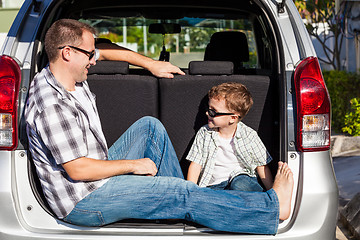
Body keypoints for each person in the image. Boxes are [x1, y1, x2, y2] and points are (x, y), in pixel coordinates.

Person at [25, 18, 294, 234]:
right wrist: (135, 165)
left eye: (93, 53)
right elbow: (78, 169)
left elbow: (105, 50)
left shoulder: (67, 71)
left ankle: (186, 202)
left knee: (150, 128)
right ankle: (270, 208)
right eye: (89, 54)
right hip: (82, 200)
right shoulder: (51, 103)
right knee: (182, 192)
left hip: (94, 173)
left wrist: (150, 64)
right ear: (67, 53)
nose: (94, 60)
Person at [187, 82, 273, 192]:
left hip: (241, 179)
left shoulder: (249, 135)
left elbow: (261, 166)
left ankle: (260, 200)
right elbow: (195, 164)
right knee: (210, 195)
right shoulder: (204, 133)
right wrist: (191, 191)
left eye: (213, 111)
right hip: (213, 186)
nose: (207, 113)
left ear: (232, 118)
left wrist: (272, 192)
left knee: (240, 184)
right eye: (208, 109)